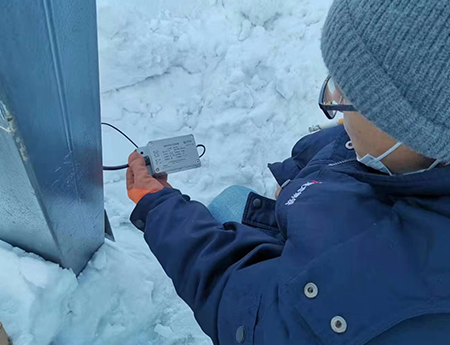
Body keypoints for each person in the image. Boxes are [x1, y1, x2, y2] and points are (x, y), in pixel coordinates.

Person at [126, 0, 450, 343]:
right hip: (317, 236)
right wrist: (297, 176)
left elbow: (245, 312)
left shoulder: (366, 296)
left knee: (227, 205)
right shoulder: (409, 151)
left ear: (408, 125)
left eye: (347, 96)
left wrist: (159, 207)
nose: (337, 111)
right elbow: (340, 146)